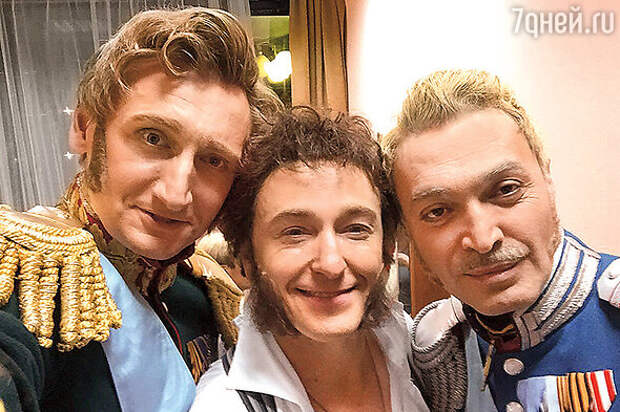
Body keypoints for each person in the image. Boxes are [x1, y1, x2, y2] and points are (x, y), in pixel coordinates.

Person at [0, 7, 280, 412]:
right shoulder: (21, 277)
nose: (176, 195)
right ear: (84, 128)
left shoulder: (204, 294)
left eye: (213, 160)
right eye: (153, 138)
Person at [382, 69, 620, 412]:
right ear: (407, 234)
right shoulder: (433, 351)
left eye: (506, 190)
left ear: (547, 180)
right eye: (438, 211)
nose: (482, 239)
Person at [190, 106, 430, 412]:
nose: (331, 264)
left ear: (386, 248)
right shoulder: (224, 404)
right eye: (295, 233)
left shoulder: (418, 351)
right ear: (248, 259)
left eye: (355, 229)